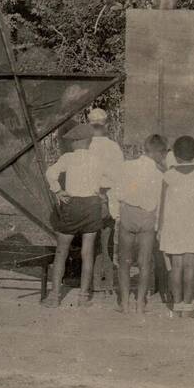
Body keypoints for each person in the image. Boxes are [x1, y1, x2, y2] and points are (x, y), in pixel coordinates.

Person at [43, 124, 106, 307]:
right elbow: (109, 179)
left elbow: (50, 173)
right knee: (88, 252)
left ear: (77, 142)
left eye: (71, 141)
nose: (70, 144)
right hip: (92, 205)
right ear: (89, 142)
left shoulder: (68, 158)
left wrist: (58, 191)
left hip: (73, 205)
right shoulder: (97, 159)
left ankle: (54, 296)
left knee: (62, 251)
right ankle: (83, 297)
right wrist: (101, 192)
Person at [158, 136, 194, 318]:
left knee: (176, 266)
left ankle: (177, 305)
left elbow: (162, 205)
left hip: (173, 226)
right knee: (191, 266)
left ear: (175, 155)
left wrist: (160, 227)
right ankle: (188, 308)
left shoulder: (168, 176)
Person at [113, 134, 167, 314]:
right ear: (159, 153)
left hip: (128, 213)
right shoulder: (159, 175)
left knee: (125, 261)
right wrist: (158, 224)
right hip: (147, 217)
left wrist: (117, 215)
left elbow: (115, 192)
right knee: (145, 262)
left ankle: (125, 302)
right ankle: (141, 303)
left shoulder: (126, 166)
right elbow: (160, 203)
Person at [86, 108, 124, 293]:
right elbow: (119, 177)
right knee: (107, 242)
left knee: (90, 242)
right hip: (108, 198)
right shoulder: (113, 147)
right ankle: (108, 282)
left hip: (89, 198)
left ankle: (94, 281)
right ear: (106, 124)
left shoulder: (85, 146)